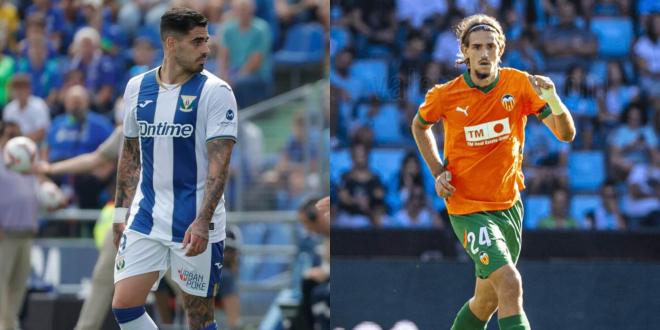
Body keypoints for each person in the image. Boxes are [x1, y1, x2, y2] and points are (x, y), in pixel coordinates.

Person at [411, 14, 575, 330]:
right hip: (468, 207)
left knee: (486, 302)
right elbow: (420, 125)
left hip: (508, 206)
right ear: (465, 51)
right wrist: (437, 171)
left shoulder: (520, 84)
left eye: (490, 46)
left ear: (500, 48)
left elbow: (566, 134)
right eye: (477, 47)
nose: (484, 53)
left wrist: (553, 98)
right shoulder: (446, 95)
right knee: (510, 282)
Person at [111, 7, 237, 330]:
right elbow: (130, 153)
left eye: (206, 40)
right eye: (197, 42)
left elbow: (219, 168)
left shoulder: (216, 92)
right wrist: (118, 212)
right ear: (171, 44)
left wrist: (202, 220)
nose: (206, 49)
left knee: (198, 318)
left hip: (193, 220)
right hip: (147, 214)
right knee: (124, 305)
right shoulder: (137, 88)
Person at [0, 121, 41, 330]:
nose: (14, 139)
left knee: (17, 288)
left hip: (25, 234)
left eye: (18, 134)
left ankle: (9, 325)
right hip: (4, 235)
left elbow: (34, 194)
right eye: (9, 135)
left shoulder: (26, 163)